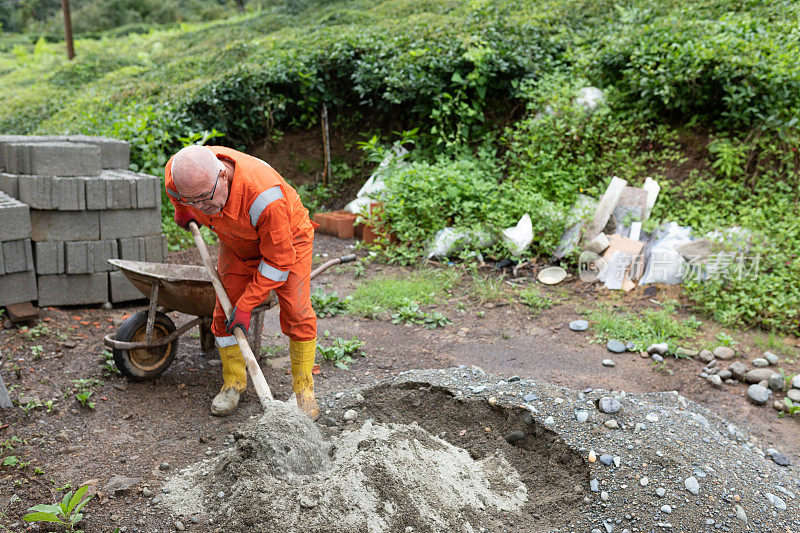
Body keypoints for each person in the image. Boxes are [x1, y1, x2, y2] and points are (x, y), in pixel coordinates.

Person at [164, 145, 319, 418]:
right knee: (224, 313)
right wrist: (182, 209)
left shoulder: (265, 199)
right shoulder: (180, 178)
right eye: (193, 202)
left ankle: (304, 390)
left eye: (205, 199)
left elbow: (278, 261)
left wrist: (247, 304)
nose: (201, 208)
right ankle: (233, 382)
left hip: (287, 242)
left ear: (223, 176)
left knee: (296, 311)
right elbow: (179, 195)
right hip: (237, 243)